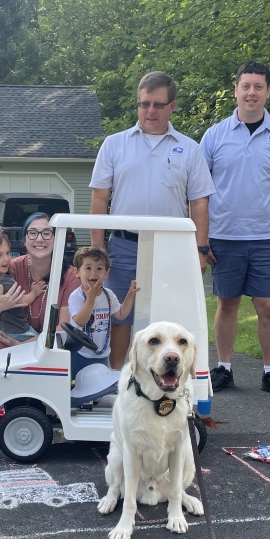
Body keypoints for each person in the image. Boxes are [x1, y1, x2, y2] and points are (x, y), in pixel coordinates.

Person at [89, 71, 215, 369]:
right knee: (121, 316)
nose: (150, 111)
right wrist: (97, 249)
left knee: (170, 319)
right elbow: (99, 198)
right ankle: (116, 380)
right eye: (144, 104)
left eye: (158, 104)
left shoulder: (190, 148)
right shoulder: (114, 144)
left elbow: (199, 202)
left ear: (172, 106)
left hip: (172, 249)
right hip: (124, 245)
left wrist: (200, 249)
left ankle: (170, 386)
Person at [200, 60, 270, 400]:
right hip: (224, 238)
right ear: (236, 90)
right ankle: (225, 369)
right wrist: (201, 240)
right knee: (226, 304)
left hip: (267, 239)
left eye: (258, 86)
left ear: (268, 91)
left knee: (268, 307)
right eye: (246, 86)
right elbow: (198, 193)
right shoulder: (214, 135)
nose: (251, 93)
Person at [0, 212, 80, 367]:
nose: (39, 239)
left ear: (56, 239)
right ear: (24, 240)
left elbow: (63, 328)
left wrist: (26, 345)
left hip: (44, 350)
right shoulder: (9, 268)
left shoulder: (70, 275)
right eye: (32, 233)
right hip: (3, 351)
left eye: (47, 233)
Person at [67, 246, 139, 376]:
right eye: (88, 268)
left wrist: (130, 295)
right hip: (80, 353)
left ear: (106, 273)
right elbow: (80, 322)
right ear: (77, 272)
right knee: (74, 384)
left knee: (98, 387)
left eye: (99, 268)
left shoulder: (108, 295)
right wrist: (91, 298)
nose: (93, 273)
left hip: (102, 353)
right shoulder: (76, 296)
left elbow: (121, 314)